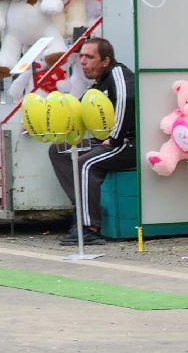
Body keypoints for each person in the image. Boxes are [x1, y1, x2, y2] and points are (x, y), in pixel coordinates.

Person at [47, 37, 135, 246]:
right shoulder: (99, 82)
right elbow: (78, 110)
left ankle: (89, 228)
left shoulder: (118, 74)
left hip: (129, 143)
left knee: (85, 163)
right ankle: (83, 207)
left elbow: (126, 100)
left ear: (105, 60)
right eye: (81, 56)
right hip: (107, 142)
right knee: (58, 150)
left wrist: (114, 138)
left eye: (89, 56)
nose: (83, 61)